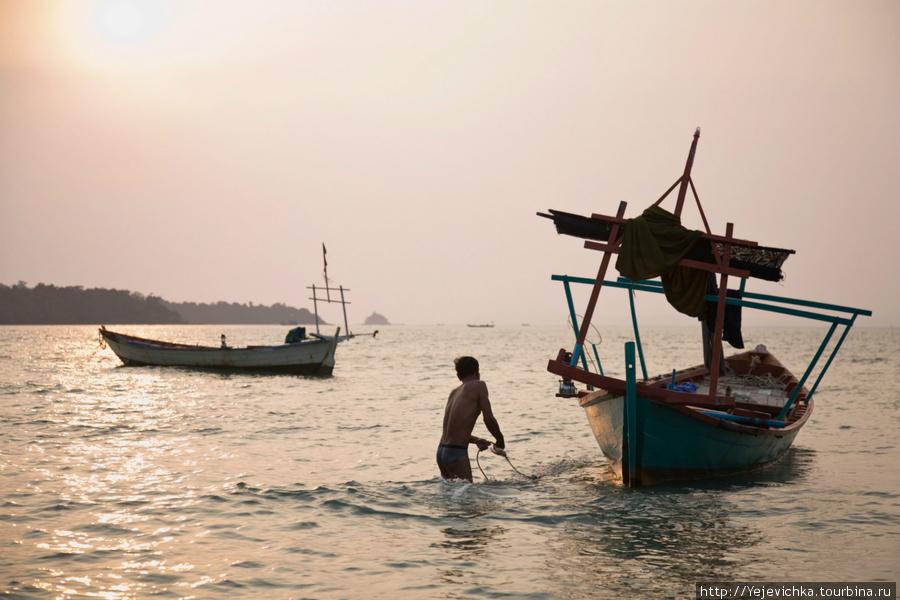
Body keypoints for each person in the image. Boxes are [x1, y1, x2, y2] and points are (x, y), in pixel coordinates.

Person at [436, 356, 505, 482]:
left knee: (450, 495)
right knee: (467, 498)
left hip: (441, 452)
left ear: (458, 376)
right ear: (477, 372)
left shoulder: (453, 393)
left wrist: (476, 440)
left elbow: (453, 429)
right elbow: (488, 419)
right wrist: (500, 440)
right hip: (456, 452)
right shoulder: (479, 385)